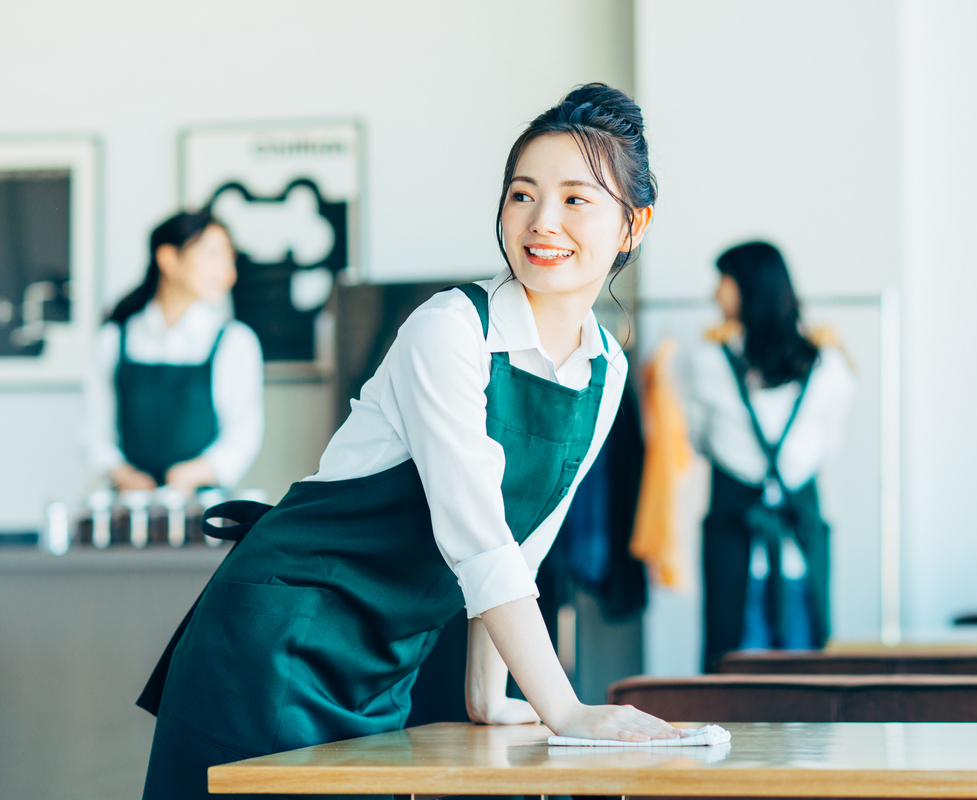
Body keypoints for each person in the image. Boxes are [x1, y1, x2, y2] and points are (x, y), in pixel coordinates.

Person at [138, 83, 682, 800]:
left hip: (384, 663)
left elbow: (522, 549)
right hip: (279, 644)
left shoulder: (606, 369)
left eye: (576, 199)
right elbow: (477, 538)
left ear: (633, 224)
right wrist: (567, 710)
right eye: (522, 194)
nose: (541, 220)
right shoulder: (449, 329)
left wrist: (487, 698)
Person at [686, 242, 854, 672]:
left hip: (733, 552)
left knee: (735, 685)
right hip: (801, 545)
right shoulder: (829, 366)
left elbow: (698, 441)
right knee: (805, 685)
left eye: (723, 282)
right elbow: (829, 447)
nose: (715, 295)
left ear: (747, 289)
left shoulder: (706, 363)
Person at [82, 210, 264, 496]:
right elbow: (94, 430)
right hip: (128, 506)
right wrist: (121, 473)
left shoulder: (235, 342)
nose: (228, 274)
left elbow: (243, 434)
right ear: (169, 259)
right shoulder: (113, 340)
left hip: (203, 509)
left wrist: (195, 473)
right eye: (213, 255)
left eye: (230, 259)